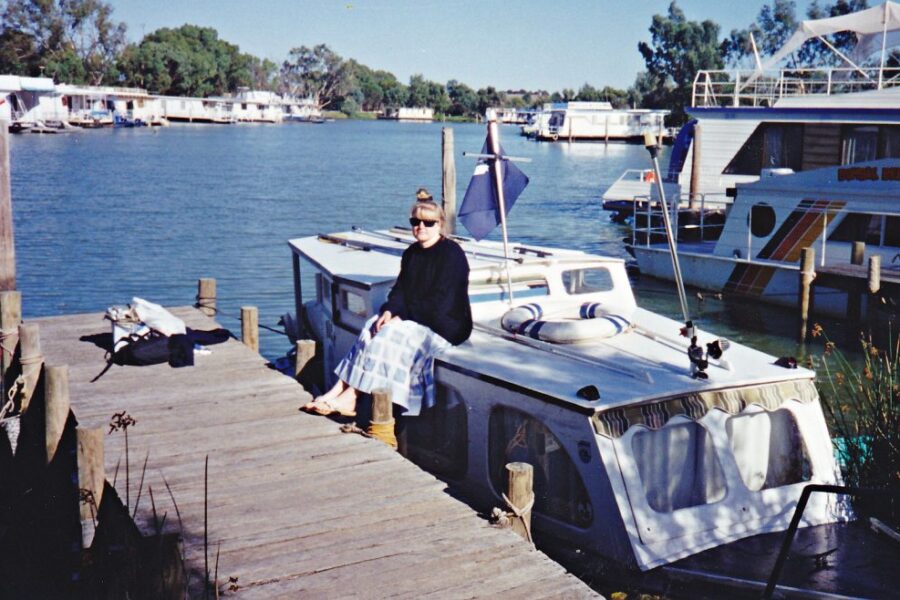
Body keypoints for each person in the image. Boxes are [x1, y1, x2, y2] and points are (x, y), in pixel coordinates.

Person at [301, 200, 472, 418]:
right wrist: (390, 310)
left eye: (428, 222)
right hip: (417, 317)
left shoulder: (452, 255)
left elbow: (441, 302)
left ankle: (353, 396)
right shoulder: (412, 253)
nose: (421, 226)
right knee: (371, 325)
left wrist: (401, 317)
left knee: (389, 333)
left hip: (446, 323)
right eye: (415, 221)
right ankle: (337, 390)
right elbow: (400, 290)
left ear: (439, 225)